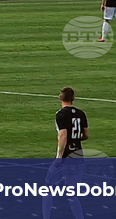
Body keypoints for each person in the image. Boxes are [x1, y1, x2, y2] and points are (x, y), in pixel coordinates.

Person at [43, 87, 88, 219]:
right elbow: (86, 135)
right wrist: (75, 139)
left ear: (60, 97)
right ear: (73, 98)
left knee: (48, 188)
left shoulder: (61, 114)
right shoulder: (81, 114)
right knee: (72, 194)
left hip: (65, 158)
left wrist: (59, 157)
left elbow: (63, 136)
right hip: (78, 156)